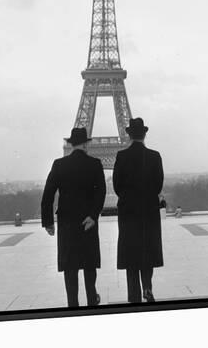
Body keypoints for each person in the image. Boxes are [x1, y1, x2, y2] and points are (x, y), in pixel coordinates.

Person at [41, 127, 106, 307]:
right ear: (86, 144)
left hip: (67, 223)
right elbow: (101, 192)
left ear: (71, 144)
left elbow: (48, 195)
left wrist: (48, 222)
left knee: (70, 267)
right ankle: (92, 299)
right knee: (89, 264)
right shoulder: (95, 164)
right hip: (88, 222)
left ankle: (73, 303)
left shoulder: (59, 164)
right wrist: (93, 216)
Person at [113, 118, 164, 304]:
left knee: (131, 254)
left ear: (129, 134)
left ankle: (133, 294)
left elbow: (117, 185)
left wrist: (128, 198)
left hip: (128, 212)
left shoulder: (121, 156)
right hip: (149, 210)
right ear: (144, 134)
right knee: (147, 251)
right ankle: (148, 286)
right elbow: (158, 184)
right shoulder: (155, 156)